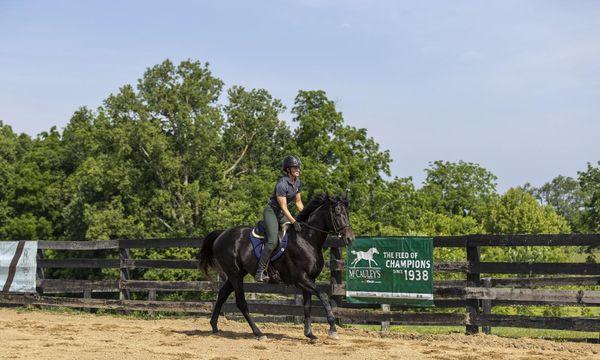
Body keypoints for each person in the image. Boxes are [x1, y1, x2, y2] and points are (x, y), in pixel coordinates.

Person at [255, 155, 305, 283]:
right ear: (288, 169)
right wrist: (294, 221)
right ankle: (260, 271)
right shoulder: (282, 184)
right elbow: (283, 207)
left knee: (293, 235)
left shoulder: (297, 182)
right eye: (295, 167)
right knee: (272, 241)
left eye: (298, 167)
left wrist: (305, 217)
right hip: (271, 212)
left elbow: (298, 203)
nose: (298, 169)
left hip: (282, 214)